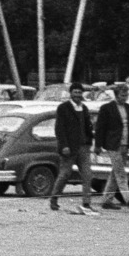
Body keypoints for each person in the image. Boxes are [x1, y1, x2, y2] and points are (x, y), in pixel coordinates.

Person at [94, 82, 129, 211]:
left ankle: (106, 200)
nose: (124, 98)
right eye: (122, 95)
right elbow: (100, 128)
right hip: (113, 145)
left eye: (126, 95)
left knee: (115, 173)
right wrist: (98, 145)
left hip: (125, 145)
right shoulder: (106, 108)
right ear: (116, 95)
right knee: (121, 173)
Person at [49, 82, 96, 214]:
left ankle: (86, 203)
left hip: (84, 147)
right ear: (71, 94)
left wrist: (89, 140)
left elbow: (88, 127)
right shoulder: (63, 108)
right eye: (75, 92)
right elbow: (59, 128)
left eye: (79, 93)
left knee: (87, 175)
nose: (77, 95)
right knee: (64, 174)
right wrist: (64, 145)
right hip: (69, 148)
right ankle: (54, 198)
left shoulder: (84, 108)